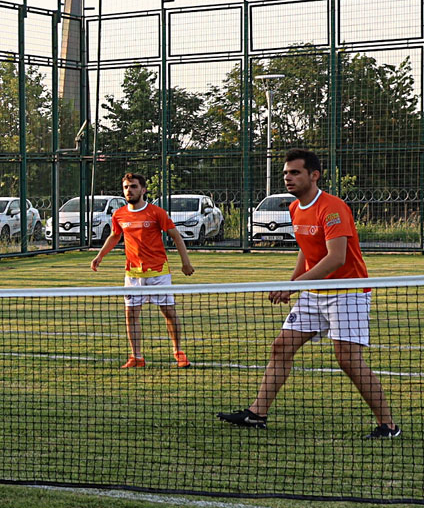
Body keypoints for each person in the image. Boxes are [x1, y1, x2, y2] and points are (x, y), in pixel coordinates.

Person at [217, 149, 400, 439]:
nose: (288, 178)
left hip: (347, 292)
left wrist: (293, 285)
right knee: (281, 347)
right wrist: (293, 284)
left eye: (295, 172)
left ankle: (388, 426)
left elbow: (336, 258)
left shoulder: (333, 207)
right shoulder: (294, 209)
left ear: (314, 175)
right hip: (314, 293)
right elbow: (307, 249)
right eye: (286, 173)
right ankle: (257, 414)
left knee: (348, 359)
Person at [90, 173, 195, 368]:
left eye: (133, 187)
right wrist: (100, 256)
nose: (129, 190)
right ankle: (136, 357)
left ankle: (178, 352)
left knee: (169, 313)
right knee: (131, 315)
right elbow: (115, 236)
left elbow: (176, 236)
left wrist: (185, 263)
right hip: (133, 275)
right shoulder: (119, 214)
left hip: (158, 273)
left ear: (143, 190)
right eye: (126, 187)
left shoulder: (157, 213)